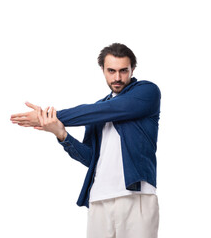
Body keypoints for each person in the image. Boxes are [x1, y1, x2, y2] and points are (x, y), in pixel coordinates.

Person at [10, 43, 161, 238]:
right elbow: (91, 159)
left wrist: (47, 116)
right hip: (99, 197)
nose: (117, 77)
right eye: (111, 71)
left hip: (136, 196)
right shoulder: (97, 110)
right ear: (102, 70)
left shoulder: (146, 92)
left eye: (124, 71)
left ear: (133, 69)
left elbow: (108, 110)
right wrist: (61, 134)